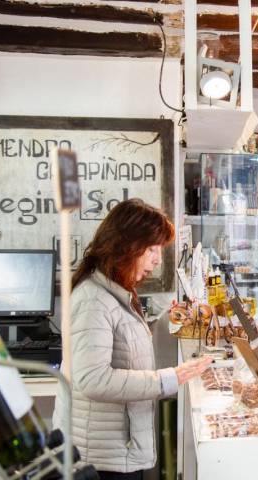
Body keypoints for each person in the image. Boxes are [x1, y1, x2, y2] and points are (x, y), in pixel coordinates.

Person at [53, 199, 212, 480]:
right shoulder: (93, 299)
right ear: (125, 246)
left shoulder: (115, 291)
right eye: (152, 249)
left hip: (116, 453)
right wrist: (167, 378)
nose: (157, 259)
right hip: (102, 462)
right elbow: (93, 379)